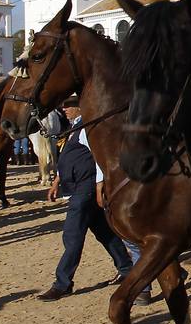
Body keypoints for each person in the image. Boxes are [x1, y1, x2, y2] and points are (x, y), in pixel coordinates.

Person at [37, 95, 134, 300]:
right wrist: (57, 182)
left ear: (80, 108)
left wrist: (100, 185)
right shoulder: (76, 127)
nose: (65, 109)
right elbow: (70, 159)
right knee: (104, 232)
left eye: (70, 106)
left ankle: (63, 283)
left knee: (72, 236)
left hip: (86, 188)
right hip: (79, 187)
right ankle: (126, 267)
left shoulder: (86, 128)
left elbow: (100, 158)